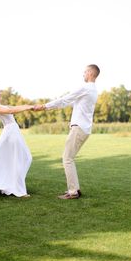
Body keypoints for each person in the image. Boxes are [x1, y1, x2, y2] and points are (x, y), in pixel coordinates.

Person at [34, 64, 100, 200]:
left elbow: (65, 99)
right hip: (83, 128)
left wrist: (44, 106)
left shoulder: (85, 88)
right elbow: (67, 103)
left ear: (90, 73)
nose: (83, 74)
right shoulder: (93, 90)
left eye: (85, 72)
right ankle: (74, 188)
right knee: (69, 158)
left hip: (79, 128)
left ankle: (73, 191)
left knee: (67, 158)